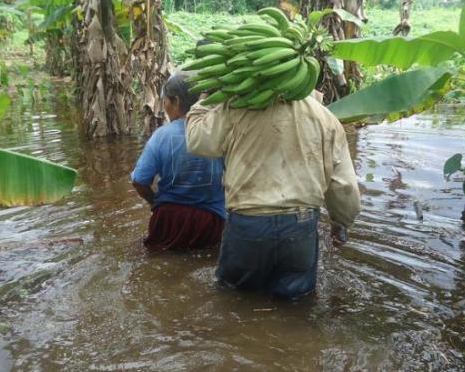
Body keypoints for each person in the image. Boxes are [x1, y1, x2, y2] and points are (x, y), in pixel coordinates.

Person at [185, 90, 361, 299]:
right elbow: (345, 186)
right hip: (300, 227)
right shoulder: (324, 118)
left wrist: (208, 98)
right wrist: (340, 223)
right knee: (296, 308)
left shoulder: (236, 107)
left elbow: (197, 142)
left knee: (234, 301)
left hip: (248, 223)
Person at [131, 72, 226, 251]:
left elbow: (139, 182)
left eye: (165, 100)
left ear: (175, 101)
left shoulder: (161, 136)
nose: (164, 105)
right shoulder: (217, 131)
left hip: (168, 220)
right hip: (211, 220)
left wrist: (154, 203)